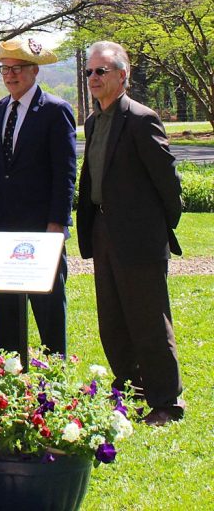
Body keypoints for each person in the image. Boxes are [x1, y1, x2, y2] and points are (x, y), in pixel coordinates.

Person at [77, 41, 185, 426]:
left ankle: (166, 402)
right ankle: (130, 391)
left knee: (149, 320)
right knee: (113, 319)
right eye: (89, 71)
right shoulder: (94, 121)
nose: (93, 77)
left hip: (140, 236)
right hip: (104, 232)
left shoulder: (141, 118)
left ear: (122, 75)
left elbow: (168, 182)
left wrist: (156, 226)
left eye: (100, 71)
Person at [0, 37, 76, 356]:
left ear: (34, 71)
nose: (10, 75)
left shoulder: (55, 111)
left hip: (42, 228)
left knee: (47, 309)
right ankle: (6, 380)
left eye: (18, 69)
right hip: (3, 228)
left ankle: (54, 381)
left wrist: (57, 224)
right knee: (5, 310)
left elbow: (65, 174)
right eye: (5, 69)